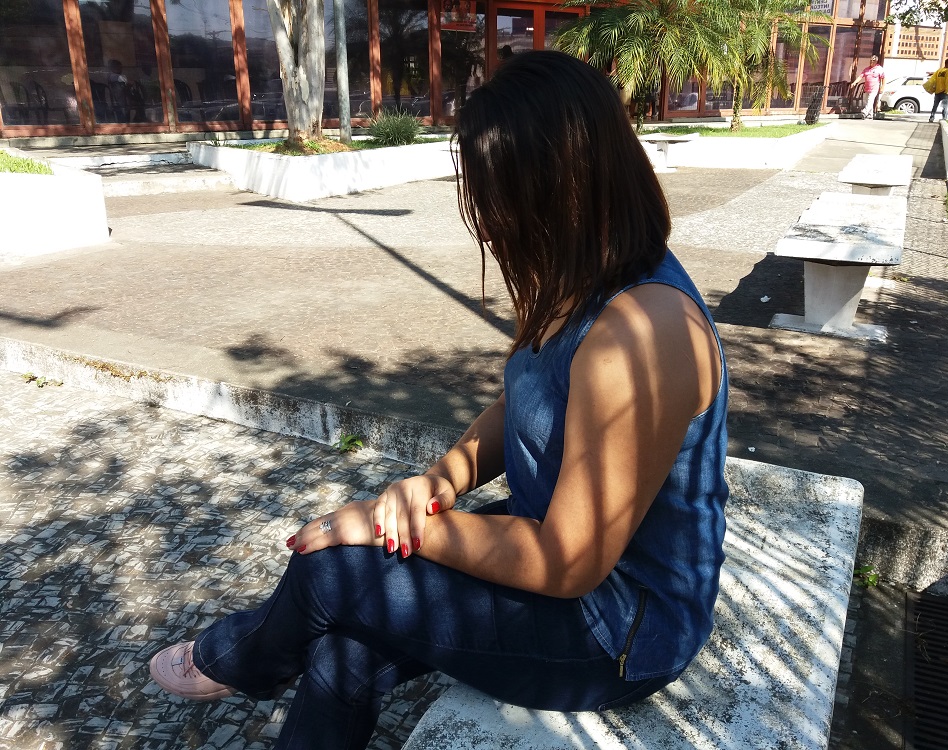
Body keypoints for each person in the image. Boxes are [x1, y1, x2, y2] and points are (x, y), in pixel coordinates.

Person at [148, 50, 729, 750]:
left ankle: (242, 658)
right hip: (553, 560)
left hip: (619, 631)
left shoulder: (644, 332)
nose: (487, 228)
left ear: (561, 190)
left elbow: (569, 561)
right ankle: (261, 657)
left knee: (329, 570)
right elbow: (526, 400)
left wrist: (386, 522)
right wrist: (441, 478)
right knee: (346, 639)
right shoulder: (577, 273)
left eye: (499, 203)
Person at [852, 54, 885, 120]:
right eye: (871, 60)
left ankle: (864, 112)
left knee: (870, 100)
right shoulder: (866, 69)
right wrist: (854, 82)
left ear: (876, 61)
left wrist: (882, 87)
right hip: (867, 88)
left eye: (873, 61)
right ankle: (870, 115)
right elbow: (861, 76)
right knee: (866, 101)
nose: (872, 62)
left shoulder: (879, 69)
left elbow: (883, 78)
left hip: (874, 88)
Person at [928, 57, 948, 122]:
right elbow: (947, 81)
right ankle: (944, 118)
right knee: (945, 106)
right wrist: (947, 90)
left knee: (935, 106)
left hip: (937, 91)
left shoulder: (939, 70)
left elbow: (933, 79)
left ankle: (932, 117)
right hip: (944, 92)